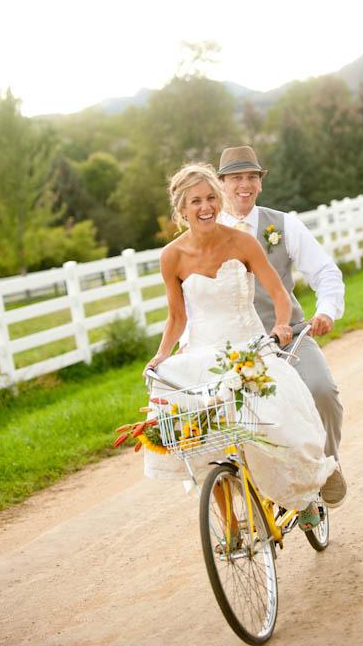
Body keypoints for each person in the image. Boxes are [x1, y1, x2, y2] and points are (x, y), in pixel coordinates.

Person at [144, 162, 336, 528]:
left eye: (212, 198)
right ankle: (231, 526)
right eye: (196, 201)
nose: (206, 207)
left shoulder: (243, 242)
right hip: (203, 351)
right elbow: (177, 318)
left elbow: (279, 293)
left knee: (280, 423)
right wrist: (162, 354)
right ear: (181, 209)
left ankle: (305, 493)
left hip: (249, 346)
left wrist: (281, 324)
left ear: (220, 200)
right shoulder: (171, 257)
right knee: (204, 442)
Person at [216, 145, 347, 507]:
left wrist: (327, 311)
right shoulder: (209, 233)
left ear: (260, 182)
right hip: (235, 347)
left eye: (252, 177)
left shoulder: (283, 224)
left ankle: (326, 467)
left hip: (288, 334)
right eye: (236, 178)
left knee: (323, 392)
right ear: (222, 183)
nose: (245, 185)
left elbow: (325, 272)